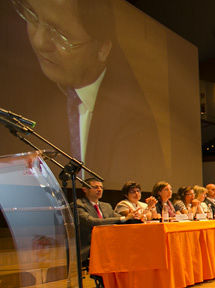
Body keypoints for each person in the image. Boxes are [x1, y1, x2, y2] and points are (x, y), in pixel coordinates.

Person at [11, 0, 164, 182]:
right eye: (32, 16)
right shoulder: (19, 87)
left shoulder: (134, 121)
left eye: (61, 35)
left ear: (102, 49)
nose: (39, 41)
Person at [75, 177, 135, 260]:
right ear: (85, 189)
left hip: (109, 242)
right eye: (96, 187)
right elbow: (92, 222)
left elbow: (120, 218)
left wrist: (133, 216)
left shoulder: (106, 206)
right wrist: (123, 218)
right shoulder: (78, 205)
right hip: (90, 246)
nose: (99, 190)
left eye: (101, 187)